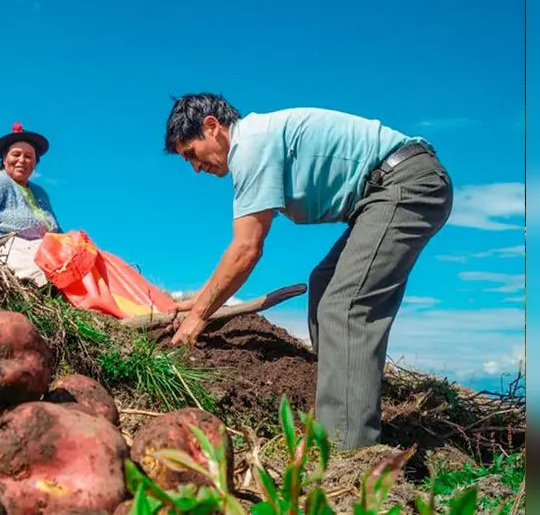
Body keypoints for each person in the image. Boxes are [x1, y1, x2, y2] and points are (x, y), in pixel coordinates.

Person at [162, 93, 453, 451]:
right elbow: (241, 250)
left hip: (405, 184)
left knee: (345, 306)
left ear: (212, 126)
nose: (194, 168)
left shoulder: (250, 146)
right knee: (325, 283)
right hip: (385, 192)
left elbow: (246, 249)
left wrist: (198, 317)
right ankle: (343, 408)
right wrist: (200, 300)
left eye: (191, 153)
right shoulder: (256, 140)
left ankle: (349, 451)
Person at [0, 122, 61, 286]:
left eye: (29, 156)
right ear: (4, 159)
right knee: (50, 274)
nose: (22, 160)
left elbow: (57, 230)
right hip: (8, 249)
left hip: (45, 249)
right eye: (16, 154)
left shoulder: (40, 193)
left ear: (35, 163)